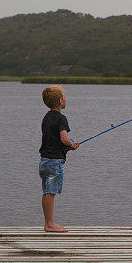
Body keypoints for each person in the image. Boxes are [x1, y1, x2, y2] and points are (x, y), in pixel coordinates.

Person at [39, 85, 79, 232]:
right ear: (61, 101)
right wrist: (71, 144)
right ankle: (50, 224)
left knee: (46, 192)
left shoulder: (46, 118)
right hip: (55, 161)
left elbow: (52, 139)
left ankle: (47, 223)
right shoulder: (61, 118)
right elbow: (63, 138)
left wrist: (66, 146)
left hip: (44, 160)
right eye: (65, 97)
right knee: (51, 192)